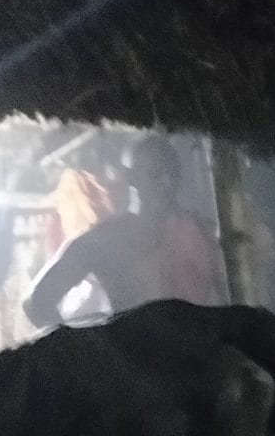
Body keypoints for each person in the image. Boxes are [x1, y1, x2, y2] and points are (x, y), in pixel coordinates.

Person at [24, 139, 226, 328]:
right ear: (131, 177)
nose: (165, 184)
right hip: (135, 351)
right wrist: (86, 347)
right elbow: (38, 303)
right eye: (154, 174)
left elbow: (229, 297)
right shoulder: (103, 241)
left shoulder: (199, 235)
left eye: (170, 175)